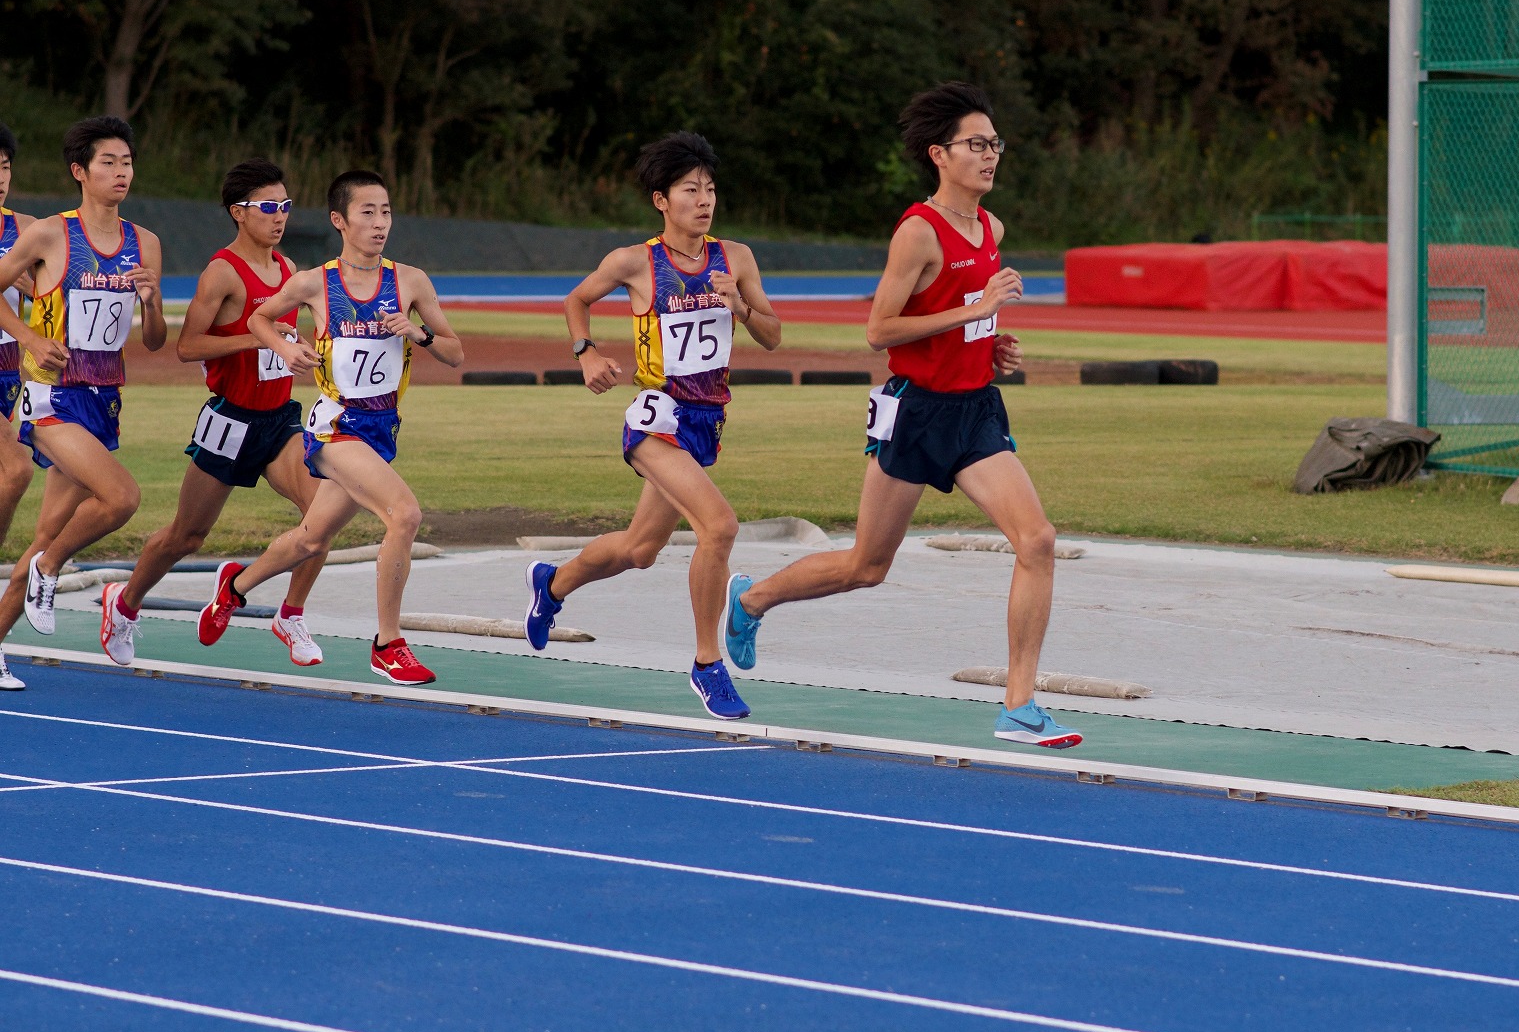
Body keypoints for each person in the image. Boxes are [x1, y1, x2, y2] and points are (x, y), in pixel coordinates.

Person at [720, 83, 1082, 748]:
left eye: (996, 143)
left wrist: (988, 342)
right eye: (977, 144)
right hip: (914, 412)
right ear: (940, 154)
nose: (991, 155)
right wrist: (973, 314)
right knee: (867, 565)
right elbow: (880, 330)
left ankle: (1020, 707)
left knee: (1036, 540)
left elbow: (960, 319)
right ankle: (750, 599)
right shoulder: (919, 231)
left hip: (974, 410)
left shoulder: (992, 228)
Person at [522, 132, 781, 720]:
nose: (704, 199)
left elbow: (772, 334)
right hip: (655, 416)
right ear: (661, 200)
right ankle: (707, 663)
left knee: (639, 550)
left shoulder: (735, 258)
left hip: (706, 421)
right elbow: (576, 300)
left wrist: (738, 304)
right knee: (719, 527)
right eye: (691, 190)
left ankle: (552, 584)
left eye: (710, 189)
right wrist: (586, 351)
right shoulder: (635, 261)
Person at [196, 169, 462, 685]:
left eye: (386, 212)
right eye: (367, 212)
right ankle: (388, 645)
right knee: (404, 514)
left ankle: (234, 587)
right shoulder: (315, 283)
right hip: (335, 426)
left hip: (383, 428)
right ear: (339, 221)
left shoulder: (410, 281)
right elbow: (259, 319)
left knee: (310, 540)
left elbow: (455, 353)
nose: (380, 223)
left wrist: (419, 333)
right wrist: (285, 347)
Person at [98, 158, 327, 668]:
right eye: (269, 207)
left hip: (280, 419)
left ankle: (289, 613)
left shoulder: (289, 270)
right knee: (187, 535)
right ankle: (125, 602)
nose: (280, 216)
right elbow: (186, 347)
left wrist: (301, 347)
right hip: (231, 421)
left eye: (285, 206)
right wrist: (259, 334)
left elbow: (290, 334)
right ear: (238, 213)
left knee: (323, 517)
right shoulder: (223, 272)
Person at [0, 116, 167, 679]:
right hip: (50, 399)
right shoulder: (49, 235)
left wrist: (149, 302)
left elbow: (153, 340)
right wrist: (28, 337)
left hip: (103, 400)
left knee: (50, 530)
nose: (121, 173)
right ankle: (50, 569)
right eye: (108, 163)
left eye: (127, 162)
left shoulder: (146, 243)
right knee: (121, 498)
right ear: (80, 171)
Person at [0, 124, 42, 691]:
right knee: (16, 469)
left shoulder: (27, 231)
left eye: (5, 167)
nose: (0, 178)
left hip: (10, 371)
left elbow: (44, 291)